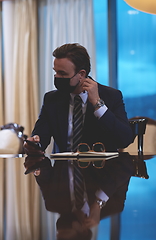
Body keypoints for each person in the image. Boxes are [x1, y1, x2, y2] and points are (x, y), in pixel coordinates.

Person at [24, 43, 133, 227]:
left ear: (81, 74)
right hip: (63, 169)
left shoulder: (111, 96)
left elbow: (125, 139)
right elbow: (40, 135)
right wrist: (35, 142)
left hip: (104, 171)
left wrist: (97, 104)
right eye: (55, 72)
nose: (57, 78)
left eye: (63, 74)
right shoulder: (52, 99)